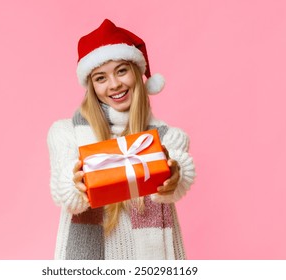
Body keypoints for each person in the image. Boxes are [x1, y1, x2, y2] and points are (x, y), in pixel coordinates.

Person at [47, 19, 196, 260]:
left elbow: (178, 175)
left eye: (121, 70)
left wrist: (175, 174)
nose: (115, 85)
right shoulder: (66, 133)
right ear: (91, 86)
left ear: (136, 73)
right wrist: (75, 184)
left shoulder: (166, 136)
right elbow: (67, 198)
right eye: (101, 78)